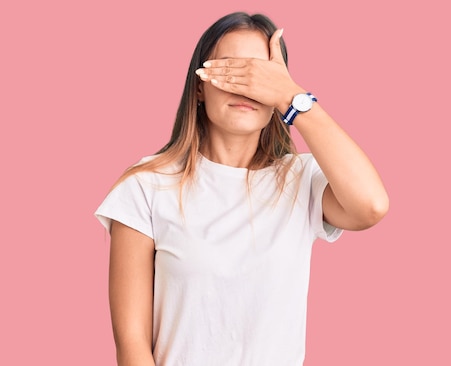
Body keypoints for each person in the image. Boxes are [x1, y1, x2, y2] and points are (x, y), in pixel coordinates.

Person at [95, 11, 389, 366]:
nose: (245, 87)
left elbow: (370, 205)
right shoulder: (145, 186)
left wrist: (292, 97)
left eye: (260, 76)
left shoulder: (302, 180)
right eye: (230, 70)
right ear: (200, 86)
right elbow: (132, 343)